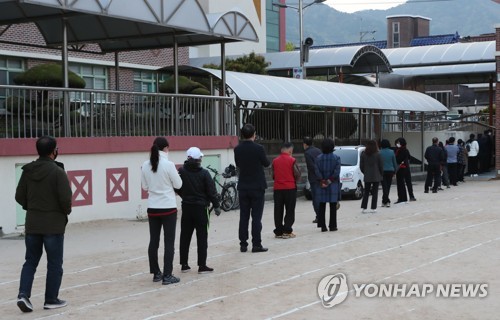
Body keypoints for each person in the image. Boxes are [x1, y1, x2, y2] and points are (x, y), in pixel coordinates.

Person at [15, 136, 72, 313]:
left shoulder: (28, 170)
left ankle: (23, 295)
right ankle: (51, 299)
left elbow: (19, 196)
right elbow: (65, 199)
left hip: (32, 223)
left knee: (30, 261)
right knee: (54, 263)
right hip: (53, 225)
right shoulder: (57, 171)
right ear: (53, 151)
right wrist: (65, 212)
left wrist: (31, 207)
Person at [141, 137, 183, 285]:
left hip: (153, 207)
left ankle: (156, 273)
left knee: (154, 240)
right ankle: (167, 274)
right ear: (166, 148)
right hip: (168, 207)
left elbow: (145, 187)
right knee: (169, 242)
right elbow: (178, 184)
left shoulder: (145, 165)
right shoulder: (169, 164)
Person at [177, 147, 220, 274]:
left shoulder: (181, 171)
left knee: (185, 236)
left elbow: (177, 186)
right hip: (201, 208)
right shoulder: (204, 173)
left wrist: (184, 196)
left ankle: (184, 264)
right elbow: (211, 192)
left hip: (187, 207)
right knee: (202, 237)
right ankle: (202, 265)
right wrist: (216, 205)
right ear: (199, 159)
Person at [234, 124, 271, 253]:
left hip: (243, 185)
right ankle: (256, 244)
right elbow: (266, 163)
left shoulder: (237, 149)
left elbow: (238, 164)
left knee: (243, 216)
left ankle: (243, 244)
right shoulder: (259, 148)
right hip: (257, 186)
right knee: (256, 217)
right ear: (254, 134)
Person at [272, 142, 301, 239]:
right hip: (290, 188)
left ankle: (278, 231)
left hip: (278, 188)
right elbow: (297, 174)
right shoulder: (292, 160)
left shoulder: (275, 161)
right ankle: (287, 230)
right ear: (290, 150)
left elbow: (272, 175)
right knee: (290, 210)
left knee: (278, 210)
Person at [314, 138, 341, 232]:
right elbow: (336, 172)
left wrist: (322, 181)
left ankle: (322, 226)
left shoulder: (318, 158)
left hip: (321, 184)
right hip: (332, 184)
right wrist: (329, 181)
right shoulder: (336, 158)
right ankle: (333, 226)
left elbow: (316, 171)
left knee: (322, 205)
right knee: (333, 205)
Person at [359, 140, 383, 213]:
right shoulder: (378, 154)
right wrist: (381, 173)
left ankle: (364, 207)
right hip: (376, 175)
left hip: (367, 175)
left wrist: (365, 172)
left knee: (366, 192)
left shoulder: (363, 154)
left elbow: (361, 166)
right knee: (375, 192)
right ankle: (373, 208)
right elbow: (381, 166)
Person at [303, 136, 322, 223]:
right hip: (321, 176)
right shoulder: (318, 150)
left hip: (314, 178)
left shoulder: (307, 153)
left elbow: (311, 166)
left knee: (315, 197)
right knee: (320, 196)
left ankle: (319, 216)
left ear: (305, 144)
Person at [394, 137, 415, 203]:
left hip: (401, 168)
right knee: (408, 182)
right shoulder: (406, 150)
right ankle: (411, 196)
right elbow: (409, 157)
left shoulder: (399, 150)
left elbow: (398, 159)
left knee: (400, 183)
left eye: (398, 143)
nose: (397, 144)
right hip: (406, 168)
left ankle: (402, 197)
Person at [379, 139, 397, 207]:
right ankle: (386, 201)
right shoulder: (392, 152)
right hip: (390, 171)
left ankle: (385, 201)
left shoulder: (379, 152)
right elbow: (394, 162)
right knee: (388, 186)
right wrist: (395, 171)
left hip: (382, 171)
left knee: (384, 186)